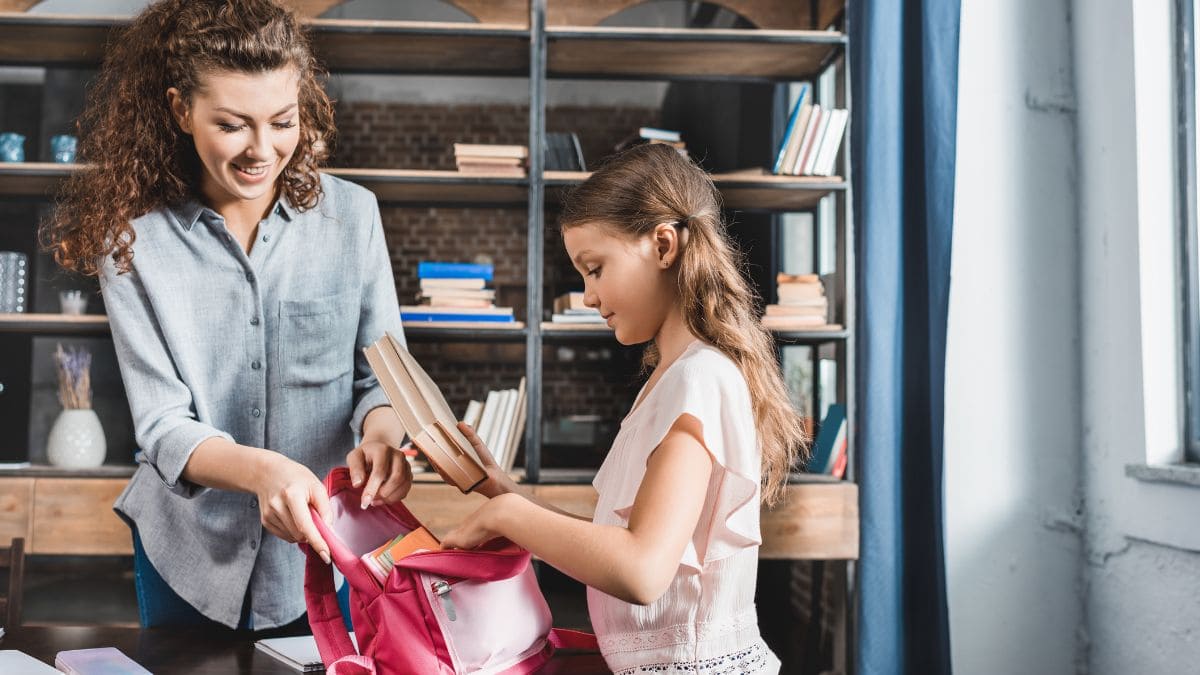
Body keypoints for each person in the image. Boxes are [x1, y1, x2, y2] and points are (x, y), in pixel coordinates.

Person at [42, 0, 411, 631]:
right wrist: (264, 469)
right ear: (181, 109)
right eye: (233, 125)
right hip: (189, 555)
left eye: (282, 121)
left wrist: (381, 440)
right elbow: (163, 425)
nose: (262, 150)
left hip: (333, 542)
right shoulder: (132, 244)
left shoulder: (354, 218)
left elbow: (381, 376)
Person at [443, 143, 809, 673]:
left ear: (663, 244)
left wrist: (508, 516)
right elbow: (620, 548)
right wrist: (507, 493)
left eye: (595, 268)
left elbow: (642, 570)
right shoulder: (672, 380)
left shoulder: (697, 380)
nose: (588, 296)